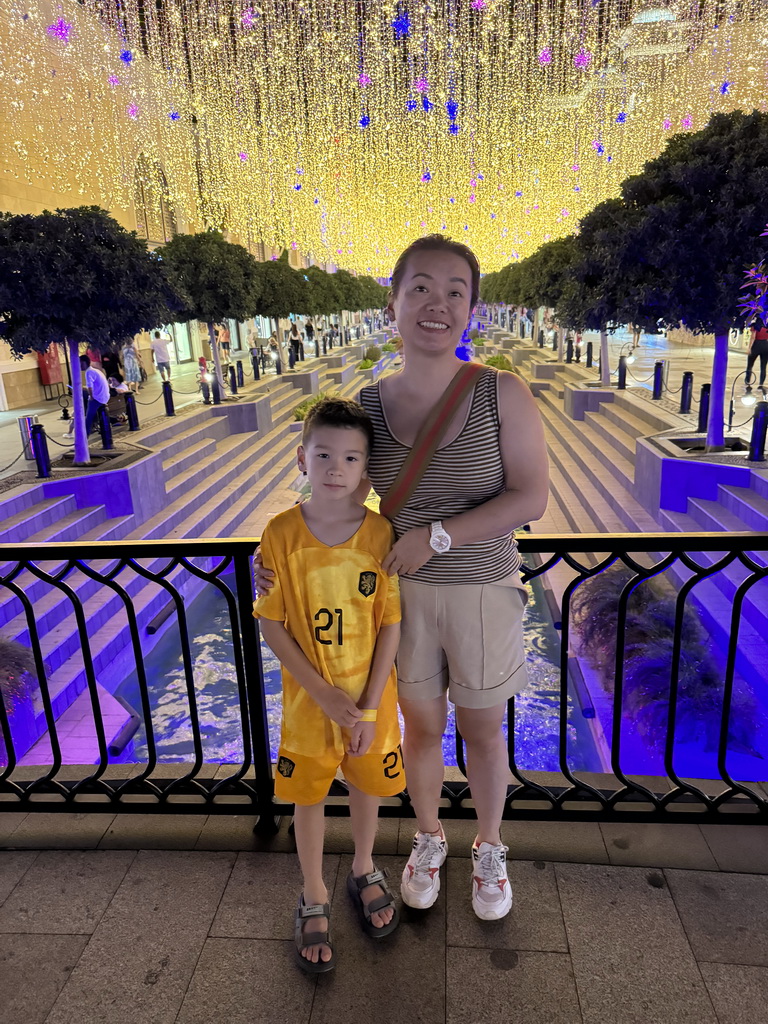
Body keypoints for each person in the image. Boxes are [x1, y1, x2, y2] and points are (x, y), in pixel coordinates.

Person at [255, 234, 549, 922]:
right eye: (419, 287)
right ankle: (428, 837)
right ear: (393, 303)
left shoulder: (501, 392)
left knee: (482, 730)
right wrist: (279, 547)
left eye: (454, 291)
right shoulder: (370, 405)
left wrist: (438, 536)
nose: (436, 304)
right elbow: (338, 490)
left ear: (472, 307)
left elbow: (529, 498)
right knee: (419, 731)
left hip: (481, 589)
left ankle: (489, 846)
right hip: (396, 599)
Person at [254, 396, 403, 973]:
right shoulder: (281, 535)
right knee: (308, 795)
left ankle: (364, 866)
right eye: (324, 455)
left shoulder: (380, 535)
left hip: (370, 701)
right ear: (301, 458)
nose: (336, 468)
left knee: (367, 786)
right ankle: (313, 890)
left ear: (367, 471)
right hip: (309, 703)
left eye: (350, 458)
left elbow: (390, 623)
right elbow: (271, 623)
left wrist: (364, 707)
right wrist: (324, 695)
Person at [64, 354, 111, 439]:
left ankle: (85, 436)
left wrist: (91, 397)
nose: (80, 366)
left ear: (84, 363)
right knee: (85, 396)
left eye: (80, 364)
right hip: (104, 396)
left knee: (88, 417)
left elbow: (90, 387)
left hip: (98, 398)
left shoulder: (89, 372)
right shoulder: (95, 370)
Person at [747, 318, 768, 389]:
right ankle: (761, 384)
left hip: (756, 344)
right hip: (765, 345)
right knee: (763, 366)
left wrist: (749, 348)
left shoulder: (756, 325)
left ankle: (747, 381)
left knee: (750, 364)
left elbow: (753, 337)